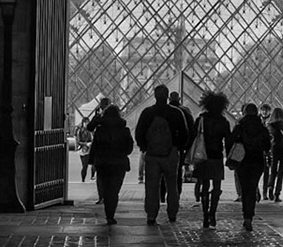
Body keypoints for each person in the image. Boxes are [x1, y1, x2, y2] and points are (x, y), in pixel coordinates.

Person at [134, 86, 191, 225]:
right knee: (172, 185)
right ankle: (172, 214)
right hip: (170, 154)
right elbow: (185, 133)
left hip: (152, 154)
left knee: (152, 186)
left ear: (154, 96)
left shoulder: (147, 113)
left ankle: (151, 215)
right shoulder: (176, 113)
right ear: (167, 96)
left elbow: (139, 132)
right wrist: (178, 148)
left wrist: (145, 147)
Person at [192, 90, 233, 228]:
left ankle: (204, 215)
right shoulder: (223, 122)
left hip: (203, 156)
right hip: (217, 156)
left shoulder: (201, 119)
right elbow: (228, 142)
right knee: (217, 186)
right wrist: (230, 158)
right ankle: (212, 214)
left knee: (204, 185)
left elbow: (193, 137)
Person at [88, 104, 134, 224]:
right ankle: (111, 214)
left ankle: (108, 212)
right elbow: (129, 148)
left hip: (102, 163)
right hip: (119, 163)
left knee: (105, 187)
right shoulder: (124, 130)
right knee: (114, 190)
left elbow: (90, 132)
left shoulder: (100, 130)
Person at [230, 102, 273, 230]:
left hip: (242, 160)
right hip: (257, 161)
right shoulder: (262, 128)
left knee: (244, 189)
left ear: (245, 112)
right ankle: (250, 215)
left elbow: (231, 141)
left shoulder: (240, 127)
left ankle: (246, 215)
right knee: (252, 187)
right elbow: (267, 146)